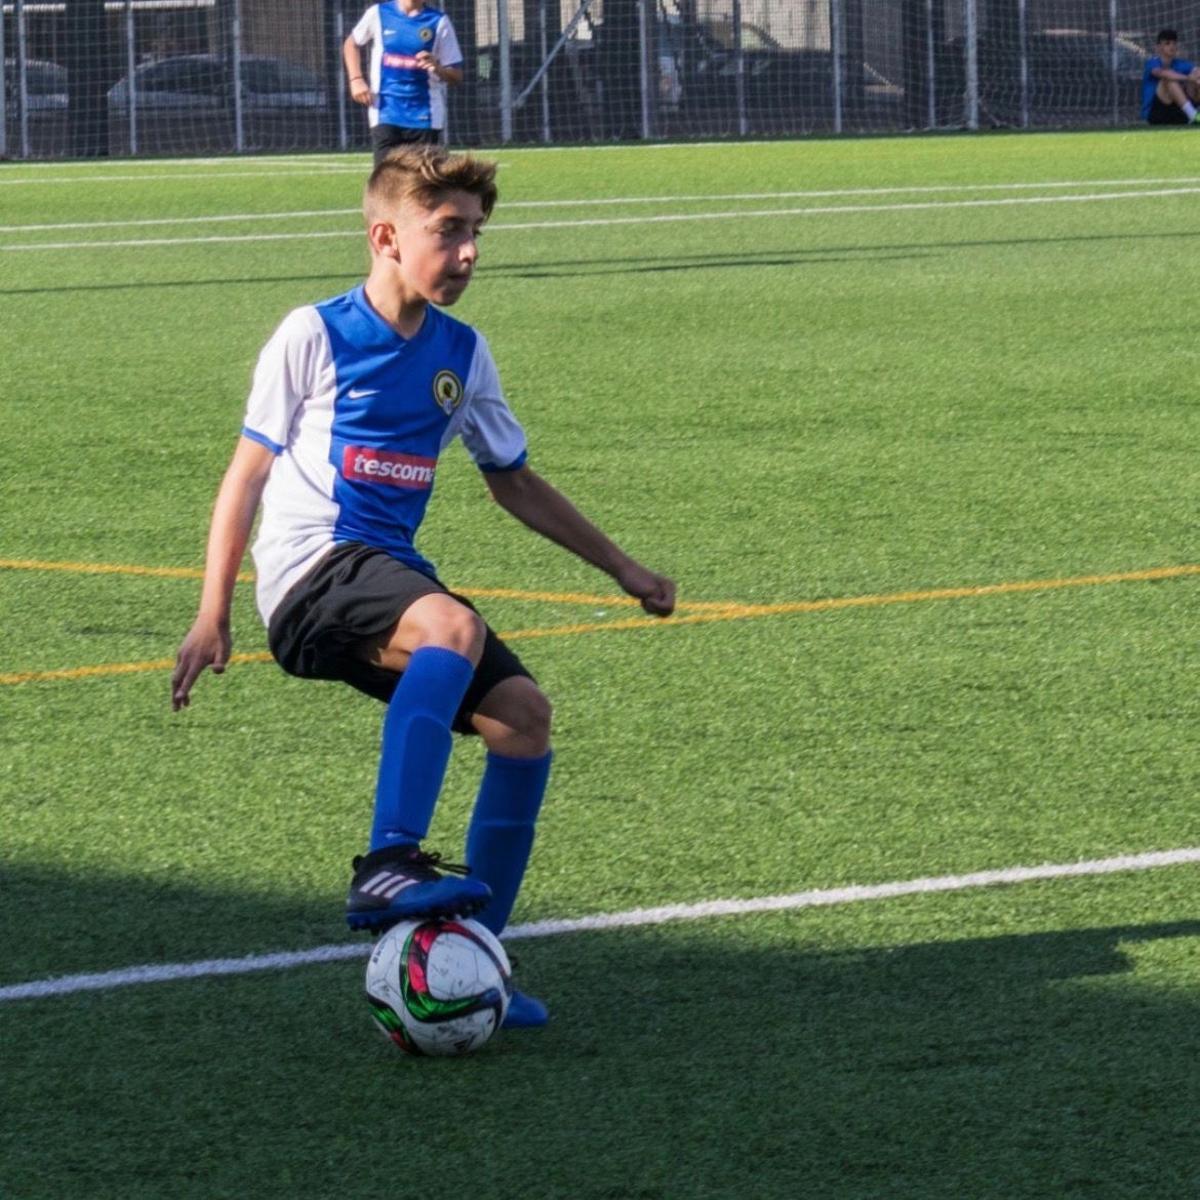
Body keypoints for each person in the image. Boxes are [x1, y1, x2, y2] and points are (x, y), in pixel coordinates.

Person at [170, 146, 676, 1029]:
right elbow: (244, 477)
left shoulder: (462, 355)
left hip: (386, 576)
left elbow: (513, 479)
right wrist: (211, 613)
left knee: (522, 716)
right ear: (386, 236)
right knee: (449, 627)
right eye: (448, 232)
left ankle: (476, 965)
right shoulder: (314, 333)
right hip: (310, 571)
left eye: (477, 233)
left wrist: (623, 568)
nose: (471, 251)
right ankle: (388, 860)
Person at [343, 0, 464, 164]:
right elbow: (352, 43)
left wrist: (437, 68)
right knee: (386, 182)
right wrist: (356, 79)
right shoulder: (378, 13)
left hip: (425, 115)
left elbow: (456, 75)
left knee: (423, 184)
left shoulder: (439, 21)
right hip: (385, 112)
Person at [1142, 28, 1200, 125]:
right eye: (1167, 43)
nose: (1172, 46)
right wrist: (1187, 78)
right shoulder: (1152, 63)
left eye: (1174, 43)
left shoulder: (1181, 64)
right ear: (1158, 47)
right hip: (1157, 113)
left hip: (1179, 112)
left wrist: (1195, 78)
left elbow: (1197, 71)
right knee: (1168, 80)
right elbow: (1162, 73)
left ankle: (1194, 114)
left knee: (1195, 80)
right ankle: (1193, 115)